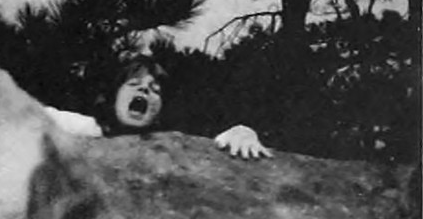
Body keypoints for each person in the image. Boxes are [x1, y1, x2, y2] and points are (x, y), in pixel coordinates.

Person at [44, 54, 272, 159]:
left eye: (155, 90)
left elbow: (220, 142)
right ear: (113, 100)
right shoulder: (87, 127)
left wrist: (243, 132)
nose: (144, 90)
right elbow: (34, 115)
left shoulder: (170, 145)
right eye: (134, 84)